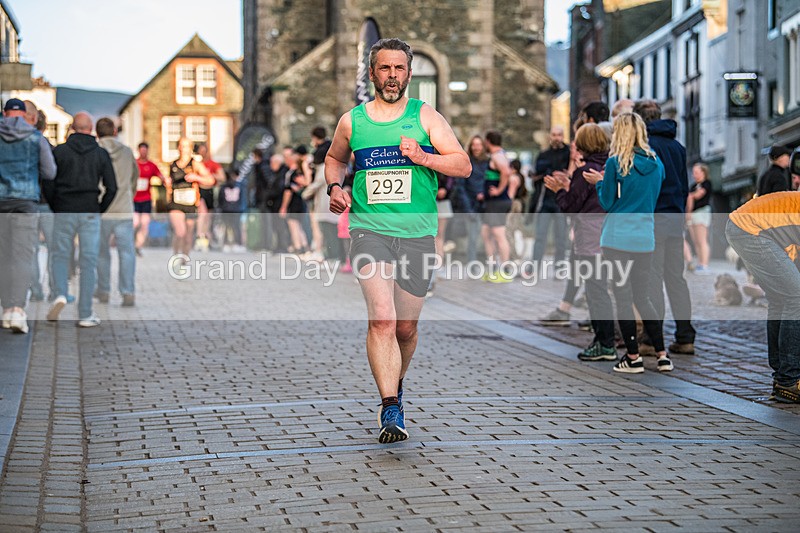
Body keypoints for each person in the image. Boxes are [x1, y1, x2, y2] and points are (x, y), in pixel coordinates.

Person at [325, 38, 471, 443]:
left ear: (409, 73)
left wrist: (424, 157)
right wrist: (335, 187)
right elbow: (334, 158)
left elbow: (462, 164)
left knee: (405, 328)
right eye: (384, 69)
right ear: (372, 73)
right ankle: (390, 404)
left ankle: (397, 382)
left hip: (418, 236)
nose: (392, 76)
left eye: (399, 69)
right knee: (383, 319)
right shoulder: (352, 121)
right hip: (369, 230)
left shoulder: (426, 117)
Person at [584, 112, 673, 373]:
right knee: (643, 297)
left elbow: (608, 202)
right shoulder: (657, 164)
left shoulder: (615, 163)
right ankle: (662, 354)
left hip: (617, 238)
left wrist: (600, 183)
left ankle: (633, 357)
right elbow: (651, 197)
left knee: (623, 298)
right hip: (645, 236)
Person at [546, 123, 616, 361]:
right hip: (608, 234)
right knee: (602, 289)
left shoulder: (585, 170)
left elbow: (571, 206)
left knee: (596, 291)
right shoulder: (609, 166)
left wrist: (559, 190)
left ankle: (604, 343)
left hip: (589, 236)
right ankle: (606, 340)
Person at [634, 99, 697, 356]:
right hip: (674, 217)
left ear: (640, 120)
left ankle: (651, 338)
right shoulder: (678, 147)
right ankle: (685, 336)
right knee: (676, 279)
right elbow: (684, 186)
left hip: (654, 217)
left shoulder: (645, 146)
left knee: (652, 279)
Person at [726, 192, 800, 404]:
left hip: (745, 226)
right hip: (750, 229)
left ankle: (782, 379)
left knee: (782, 299)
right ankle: (788, 380)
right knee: (796, 297)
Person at [44, 112, 117, 327]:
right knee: (88, 261)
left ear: (72, 128)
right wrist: (99, 209)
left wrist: (55, 205)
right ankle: (85, 314)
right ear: (91, 128)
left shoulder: (60, 151)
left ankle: (60, 293)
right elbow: (112, 187)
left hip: (64, 209)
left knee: (59, 255)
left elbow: (48, 181)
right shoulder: (100, 154)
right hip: (89, 211)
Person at [0, 98, 57, 334]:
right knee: (23, 257)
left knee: (4, 257)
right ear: (24, 115)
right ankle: (18, 310)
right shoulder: (36, 138)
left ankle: (5, 310)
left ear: (4, 113)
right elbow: (50, 172)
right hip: (26, 202)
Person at [96, 117, 139, 307]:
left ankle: (104, 290)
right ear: (115, 131)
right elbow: (134, 179)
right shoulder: (127, 152)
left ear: (97, 133)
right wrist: (128, 196)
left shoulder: (96, 151)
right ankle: (127, 291)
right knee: (127, 253)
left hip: (102, 210)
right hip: (123, 209)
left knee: (102, 252)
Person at [165, 138, 214, 259]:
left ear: (190, 149)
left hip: (190, 203)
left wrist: (197, 178)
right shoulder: (172, 165)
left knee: (187, 236)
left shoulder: (195, 164)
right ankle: (176, 256)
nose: (183, 149)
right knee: (180, 232)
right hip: (176, 203)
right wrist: (166, 182)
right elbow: (167, 181)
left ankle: (184, 260)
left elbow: (211, 180)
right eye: (181, 146)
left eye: (186, 146)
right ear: (178, 148)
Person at [531, 126, 570, 272]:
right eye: (554, 135)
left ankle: (559, 269)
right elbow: (539, 171)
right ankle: (534, 267)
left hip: (561, 201)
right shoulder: (544, 154)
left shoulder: (568, 153)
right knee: (540, 236)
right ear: (550, 136)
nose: (556, 138)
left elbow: (568, 172)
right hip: (546, 201)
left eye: (559, 135)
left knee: (561, 239)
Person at [480, 130, 514, 282]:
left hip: (498, 202)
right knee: (486, 233)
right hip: (492, 202)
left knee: (499, 235)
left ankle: (504, 270)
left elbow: (506, 172)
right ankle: (492, 267)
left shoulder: (497, 156)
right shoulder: (499, 155)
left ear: (488, 141)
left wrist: (499, 190)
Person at [452, 135, 487, 264]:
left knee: (488, 238)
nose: (476, 147)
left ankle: (489, 264)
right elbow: (461, 187)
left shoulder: (488, 163)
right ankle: (472, 264)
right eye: (474, 145)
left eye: (479, 144)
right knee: (472, 237)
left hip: (487, 206)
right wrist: (468, 208)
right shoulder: (467, 162)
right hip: (471, 205)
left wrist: (485, 194)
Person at [279, 148, 311, 256]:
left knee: (293, 225)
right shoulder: (301, 172)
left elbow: (288, 192)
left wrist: (283, 206)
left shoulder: (291, 173)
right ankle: (304, 246)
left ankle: (298, 247)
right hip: (302, 202)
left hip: (294, 203)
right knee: (299, 225)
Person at [194, 141, 224, 251]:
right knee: (202, 214)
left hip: (210, 191)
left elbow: (222, 177)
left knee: (209, 217)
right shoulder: (196, 164)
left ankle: (206, 237)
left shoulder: (213, 164)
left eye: (204, 151)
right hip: (199, 190)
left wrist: (210, 176)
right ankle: (199, 236)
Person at [134, 142, 162, 256]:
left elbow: (160, 176)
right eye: (141, 150)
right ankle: (131, 242)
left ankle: (138, 246)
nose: (143, 152)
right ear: (139, 151)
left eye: (145, 150)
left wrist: (166, 180)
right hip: (134, 198)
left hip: (146, 199)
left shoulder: (151, 165)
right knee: (135, 223)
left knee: (145, 223)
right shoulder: (134, 164)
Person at [686, 162, 713, 276]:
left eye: (696, 172)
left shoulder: (706, 184)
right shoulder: (693, 186)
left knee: (702, 239)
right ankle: (699, 262)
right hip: (693, 213)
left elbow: (695, 196)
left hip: (701, 212)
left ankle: (704, 264)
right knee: (695, 240)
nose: (694, 175)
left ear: (703, 172)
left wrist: (691, 198)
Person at [218, 170, 246, 251]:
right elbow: (242, 198)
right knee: (236, 227)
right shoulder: (240, 186)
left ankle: (226, 244)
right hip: (236, 209)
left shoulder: (224, 186)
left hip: (226, 209)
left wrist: (221, 207)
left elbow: (220, 198)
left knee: (227, 226)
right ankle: (238, 243)